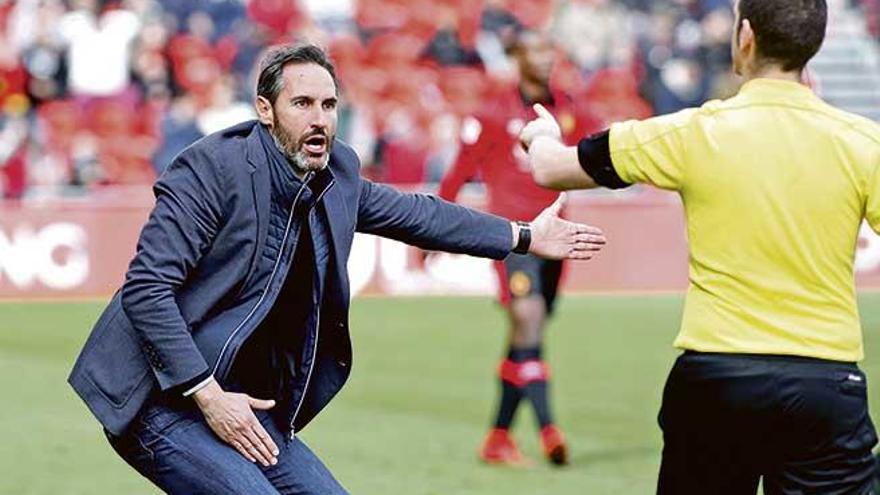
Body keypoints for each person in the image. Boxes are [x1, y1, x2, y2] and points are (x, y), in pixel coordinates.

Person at [67, 43, 606, 494]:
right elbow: (146, 289)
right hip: (159, 397)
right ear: (264, 109)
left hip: (245, 404)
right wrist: (207, 393)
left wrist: (525, 236)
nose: (319, 118)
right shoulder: (210, 170)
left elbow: (417, 213)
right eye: (302, 103)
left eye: (328, 104)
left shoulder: (337, 173)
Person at [520, 0, 879, 492]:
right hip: (824, 384)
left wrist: (540, 134)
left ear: (745, 36)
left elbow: (550, 168)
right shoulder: (863, 142)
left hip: (718, 378)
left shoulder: (692, 131)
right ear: (813, 44)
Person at [435, 29, 598, 467]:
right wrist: (431, 230)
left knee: (527, 337)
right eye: (537, 50)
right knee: (529, 322)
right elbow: (459, 171)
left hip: (556, 239)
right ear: (517, 57)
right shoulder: (493, 112)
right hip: (515, 239)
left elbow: (589, 160)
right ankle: (550, 431)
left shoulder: (568, 109)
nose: (545, 59)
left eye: (550, 49)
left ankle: (498, 437)